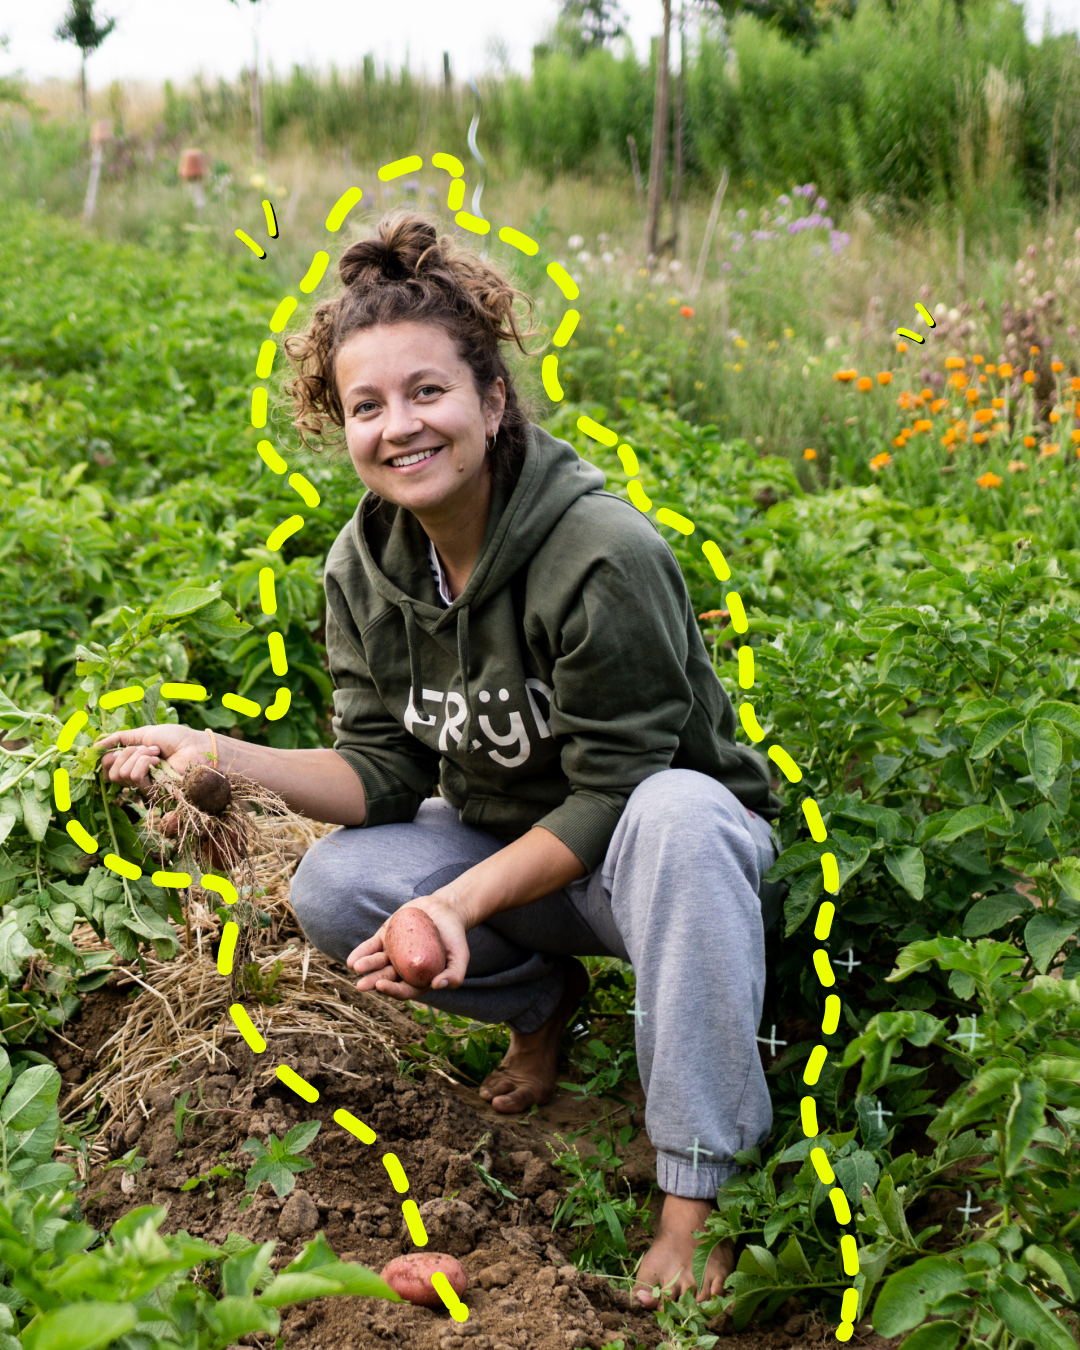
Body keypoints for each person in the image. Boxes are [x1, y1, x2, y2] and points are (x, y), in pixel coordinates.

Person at [96, 211, 785, 1310]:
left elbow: (617, 792)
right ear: (341, 428)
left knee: (682, 814)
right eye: (367, 406)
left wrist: (455, 904)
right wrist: (218, 750)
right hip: (519, 864)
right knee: (335, 883)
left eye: (428, 392)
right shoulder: (363, 569)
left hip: (660, 874)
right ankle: (539, 1004)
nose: (400, 427)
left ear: (492, 401)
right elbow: (381, 774)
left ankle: (695, 1195)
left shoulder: (601, 554)